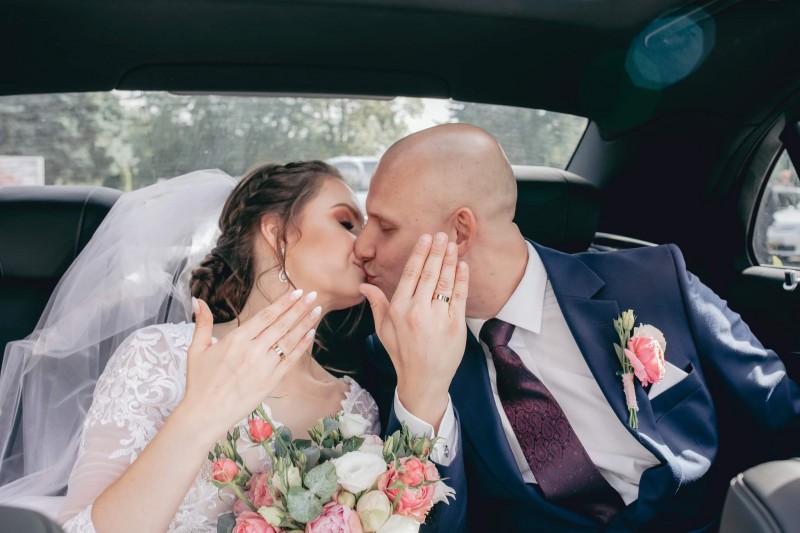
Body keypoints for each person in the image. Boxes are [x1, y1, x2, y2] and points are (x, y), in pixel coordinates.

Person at [354, 123, 800, 532]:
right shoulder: (393, 355)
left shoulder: (655, 281)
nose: (362, 247)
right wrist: (424, 389)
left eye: (385, 226)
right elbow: (433, 526)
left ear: (459, 231)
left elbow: (781, 410)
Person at [0, 161, 387, 532]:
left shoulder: (356, 408)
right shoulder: (157, 356)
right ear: (276, 233)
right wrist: (200, 415)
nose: (367, 245)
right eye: (346, 223)